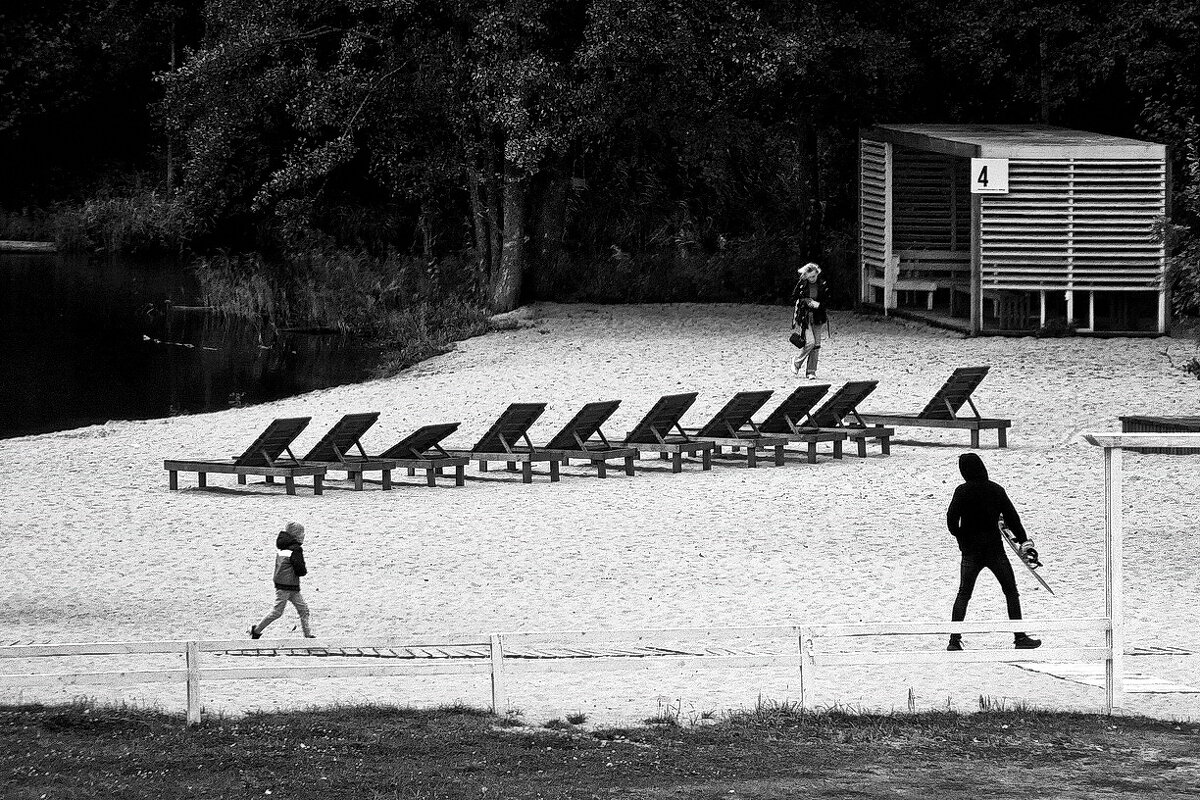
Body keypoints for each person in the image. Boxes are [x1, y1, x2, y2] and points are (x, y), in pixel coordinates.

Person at [945, 453, 1041, 651]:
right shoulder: (996, 490)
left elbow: (951, 520)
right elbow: (1012, 518)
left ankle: (954, 641)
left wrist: (962, 539)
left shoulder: (962, 491)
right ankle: (1020, 637)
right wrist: (1024, 542)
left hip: (971, 552)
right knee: (1011, 592)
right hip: (995, 551)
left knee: (963, 594)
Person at [249, 521, 316, 639]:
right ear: (296, 535)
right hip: (287, 587)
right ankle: (256, 630)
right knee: (278, 612)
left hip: (286, 586)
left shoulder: (282, 547)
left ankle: (308, 636)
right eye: (302, 533)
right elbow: (300, 568)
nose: (304, 536)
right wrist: (303, 571)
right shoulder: (296, 549)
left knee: (303, 609)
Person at [790, 262, 829, 379]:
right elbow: (794, 297)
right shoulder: (802, 284)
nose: (812, 278)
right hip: (805, 317)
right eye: (810, 276)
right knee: (810, 343)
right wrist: (805, 301)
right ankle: (796, 362)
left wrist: (818, 305)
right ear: (806, 275)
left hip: (818, 317)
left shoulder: (822, 284)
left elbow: (827, 301)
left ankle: (811, 371)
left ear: (817, 274)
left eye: (814, 276)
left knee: (816, 345)